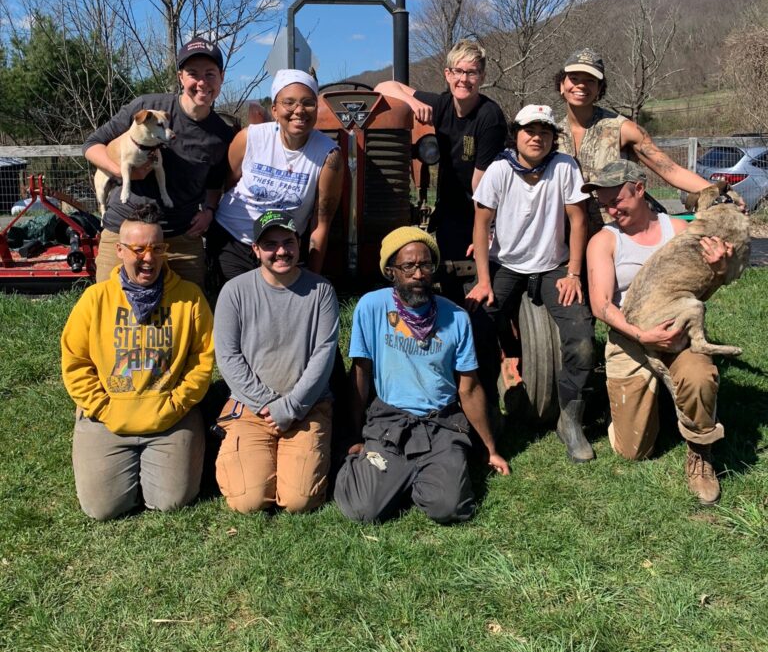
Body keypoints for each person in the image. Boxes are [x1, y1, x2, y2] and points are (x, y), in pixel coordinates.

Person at [334, 226, 509, 525]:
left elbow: (468, 388)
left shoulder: (456, 317)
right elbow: (360, 375)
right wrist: (353, 434)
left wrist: (490, 449)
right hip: (391, 420)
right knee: (362, 510)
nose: (418, 274)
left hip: (441, 422)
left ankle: (414, 474)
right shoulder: (371, 307)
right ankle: (392, 472)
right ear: (391, 271)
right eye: (408, 266)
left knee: (450, 508)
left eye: (426, 265)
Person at [585, 161, 730, 504]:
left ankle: (699, 451)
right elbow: (602, 304)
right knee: (632, 451)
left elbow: (703, 289)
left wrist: (720, 268)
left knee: (699, 376)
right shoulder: (604, 241)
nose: (609, 210)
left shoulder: (678, 230)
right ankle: (655, 404)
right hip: (630, 339)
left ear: (639, 188)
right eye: (603, 204)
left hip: (679, 335)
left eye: (615, 200)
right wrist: (641, 334)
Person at [61, 203, 214, 520]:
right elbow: (75, 362)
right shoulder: (95, 299)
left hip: (170, 415)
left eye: (157, 248)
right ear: (118, 250)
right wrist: (102, 406)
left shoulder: (189, 297)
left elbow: (202, 361)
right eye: (138, 249)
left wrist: (177, 403)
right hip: (108, 415)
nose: (149, 258)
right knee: (102, 509)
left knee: (172, 501)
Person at [466, 105, 596, 463]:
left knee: (582, 341)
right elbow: (480, 225)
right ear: (516, 134)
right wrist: (482, 280)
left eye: (545, 131)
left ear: (554, 137)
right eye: (529, 130)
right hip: (506, 265)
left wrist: (573, 272)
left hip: (554, 266)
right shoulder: (499, 169)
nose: (536, 137)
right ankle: (489, 408)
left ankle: (570, 418)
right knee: (477, 327)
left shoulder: (564, 167)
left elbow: (578, 220)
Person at [212, 210, 339, 514]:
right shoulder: (234, 292)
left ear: (299, 243)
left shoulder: (321, 291)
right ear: (255, 250)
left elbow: (324, 354)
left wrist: (291, 407)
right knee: (248, 501)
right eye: (270, 244)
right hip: (252, 408)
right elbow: (228, 357)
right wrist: (269, 404)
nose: (281, 251)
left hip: (307, 407)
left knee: (300, 501)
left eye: (288, 242)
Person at [84, 36, 234, 287]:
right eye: (192, 73)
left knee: (185, 316)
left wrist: (208, 212)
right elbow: (91, 146)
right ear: (180, 77)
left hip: (182, 239)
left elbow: (215, 184)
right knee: (111, 312)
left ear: (221, 77)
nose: (201, 82)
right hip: (125, 232)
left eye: (210, 74)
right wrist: (122, 173)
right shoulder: (147, 107)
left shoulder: (222, 134)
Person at [374, 38, 507, 267]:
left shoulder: (489, 117)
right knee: (448, 273)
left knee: (475, 274)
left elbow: (481, 185)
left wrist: (483, 232)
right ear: (447, 74)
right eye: (458, 71)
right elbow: (382, 87)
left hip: (481, 211)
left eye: (472, 73)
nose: (463, 79)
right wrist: (411, 103)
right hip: (450, 208)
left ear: (482, 78)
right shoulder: (443, 105)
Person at [555, 47, 716, 235]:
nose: (581, 85)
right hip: (570, 239)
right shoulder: (551, 136)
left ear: (599, 88)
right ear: (561, 85)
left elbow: (669, 169)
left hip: (624, 235)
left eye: (590, 80)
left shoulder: (622, 128)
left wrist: (717, 191)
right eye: (574, 78)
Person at [208, 68, 343, 283]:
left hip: (282, 249)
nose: (299, 110)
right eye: (289, 103)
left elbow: (321, 223)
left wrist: (313, 280)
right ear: (274, 109)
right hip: (233, 238)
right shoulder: (250, 139)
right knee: (236, 304)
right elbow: (227, 184)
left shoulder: (328, 155)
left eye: (308, 102)